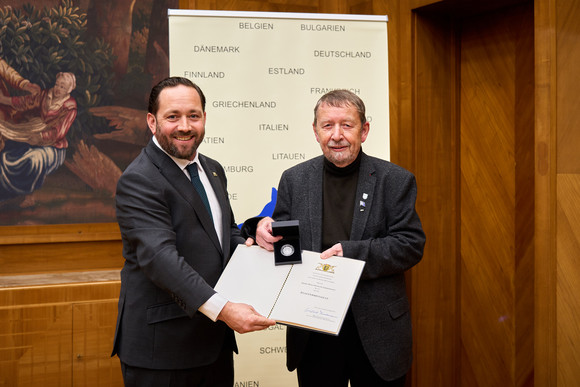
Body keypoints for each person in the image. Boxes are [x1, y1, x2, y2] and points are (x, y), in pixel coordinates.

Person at [245, 89, 426, 386]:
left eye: (347, 125)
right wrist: (260, 229)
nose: (337, 135)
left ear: (364, 130)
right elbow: (278, 231)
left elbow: (410, 244)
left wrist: (352, 254)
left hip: (376, 330)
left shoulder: (395, 179)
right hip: (313, 329)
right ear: (315, 132)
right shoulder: (295, 178)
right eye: (327, 125)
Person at [112, 76, 275, 387]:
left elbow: (222, 234)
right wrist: (225, 310)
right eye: (172, 116)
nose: (184, 126)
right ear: (152, 121)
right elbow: (160, 259)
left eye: (193, 115)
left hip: (212, 346)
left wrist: (254, 241)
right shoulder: (140, 179)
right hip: (162, 351)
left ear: (204, 118)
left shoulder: (212, 169)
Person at [0, 72, 77, 203]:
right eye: (57, 84)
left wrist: (40, 137)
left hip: (53, 146)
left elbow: (59, 133)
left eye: (62, 87)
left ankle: (25, 194)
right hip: (31, 133)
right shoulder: (47, 94)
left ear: (69, 89)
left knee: (33, 160)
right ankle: (5, 192)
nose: (58, 88)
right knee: (7, 154)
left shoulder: (69, 108)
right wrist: (4, 100)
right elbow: (26, 102)